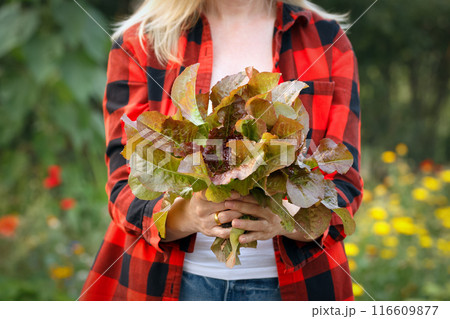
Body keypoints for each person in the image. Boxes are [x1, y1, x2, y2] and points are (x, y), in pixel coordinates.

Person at [79, 0, 363, 301]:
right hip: (169, 286)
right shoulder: (142, 41)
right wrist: (187, 215)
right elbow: (124, 185)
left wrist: (286, 218)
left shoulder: (325, 39)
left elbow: (346, 185)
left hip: (297, 287)